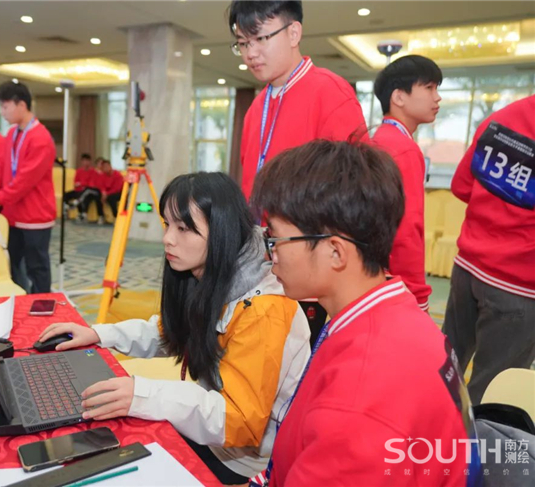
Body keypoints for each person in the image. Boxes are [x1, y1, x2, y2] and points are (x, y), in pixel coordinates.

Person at [38, 172, 311, 484]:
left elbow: (238, 420)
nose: (168, 238)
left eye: (183, 228)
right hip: (210, 430)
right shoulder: (212, 272)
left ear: (221, 232)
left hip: (239, 458)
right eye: (167, 224)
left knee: (114, 456)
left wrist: (143, 394)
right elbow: (172, 331)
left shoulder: (264, 308)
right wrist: (101, 334)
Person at [248, 140, 481, 487]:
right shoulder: (388, 311)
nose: (271, 256)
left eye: (276, 239)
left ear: (335, 252)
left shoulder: (360, 395)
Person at [229, 0, 368, 339]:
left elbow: (355, 192)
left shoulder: (330, 92)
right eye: (242, 43)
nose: (250, 53)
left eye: (260, 39)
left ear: (294, 33)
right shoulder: (257, 106)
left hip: (311, 276)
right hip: (262, 267)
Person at [443, 95, 535, 405]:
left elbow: (461, 186)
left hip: (467, 269)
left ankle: (425, 431)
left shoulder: (502, 118)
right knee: (493, 392)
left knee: (446, 369)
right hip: (518, 285)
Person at [372, 55, 442, 312]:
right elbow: (406, 229)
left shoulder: (379, 139)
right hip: (394, 281)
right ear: (399, 97)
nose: (437, 98)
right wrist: (417, 292)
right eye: (429, 88)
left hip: (372, 272)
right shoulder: (403, 149)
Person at [0, 81, 56, 294]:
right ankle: (19, 304)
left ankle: (41, 308)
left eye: (5, 106)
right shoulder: (11, 133)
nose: (2, 112)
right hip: (12, 214)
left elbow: (24, 182)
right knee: (11, 265)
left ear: (22, 105)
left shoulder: (41, 138)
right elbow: (1, 170)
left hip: (35, 215)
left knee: (36, 268)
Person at [63, 153, 99, 222]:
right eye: (84, 160)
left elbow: (90, 184)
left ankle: (81, 213)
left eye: (87, 160)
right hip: (78, 190)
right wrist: (81, 184)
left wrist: (81, 183)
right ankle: (66, 211)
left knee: (84, 194)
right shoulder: (79, 171)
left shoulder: (93, 172)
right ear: (81, 161)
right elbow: (75, 183)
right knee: (66, 194)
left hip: (88, 191)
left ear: (90, 161)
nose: (85, 162)